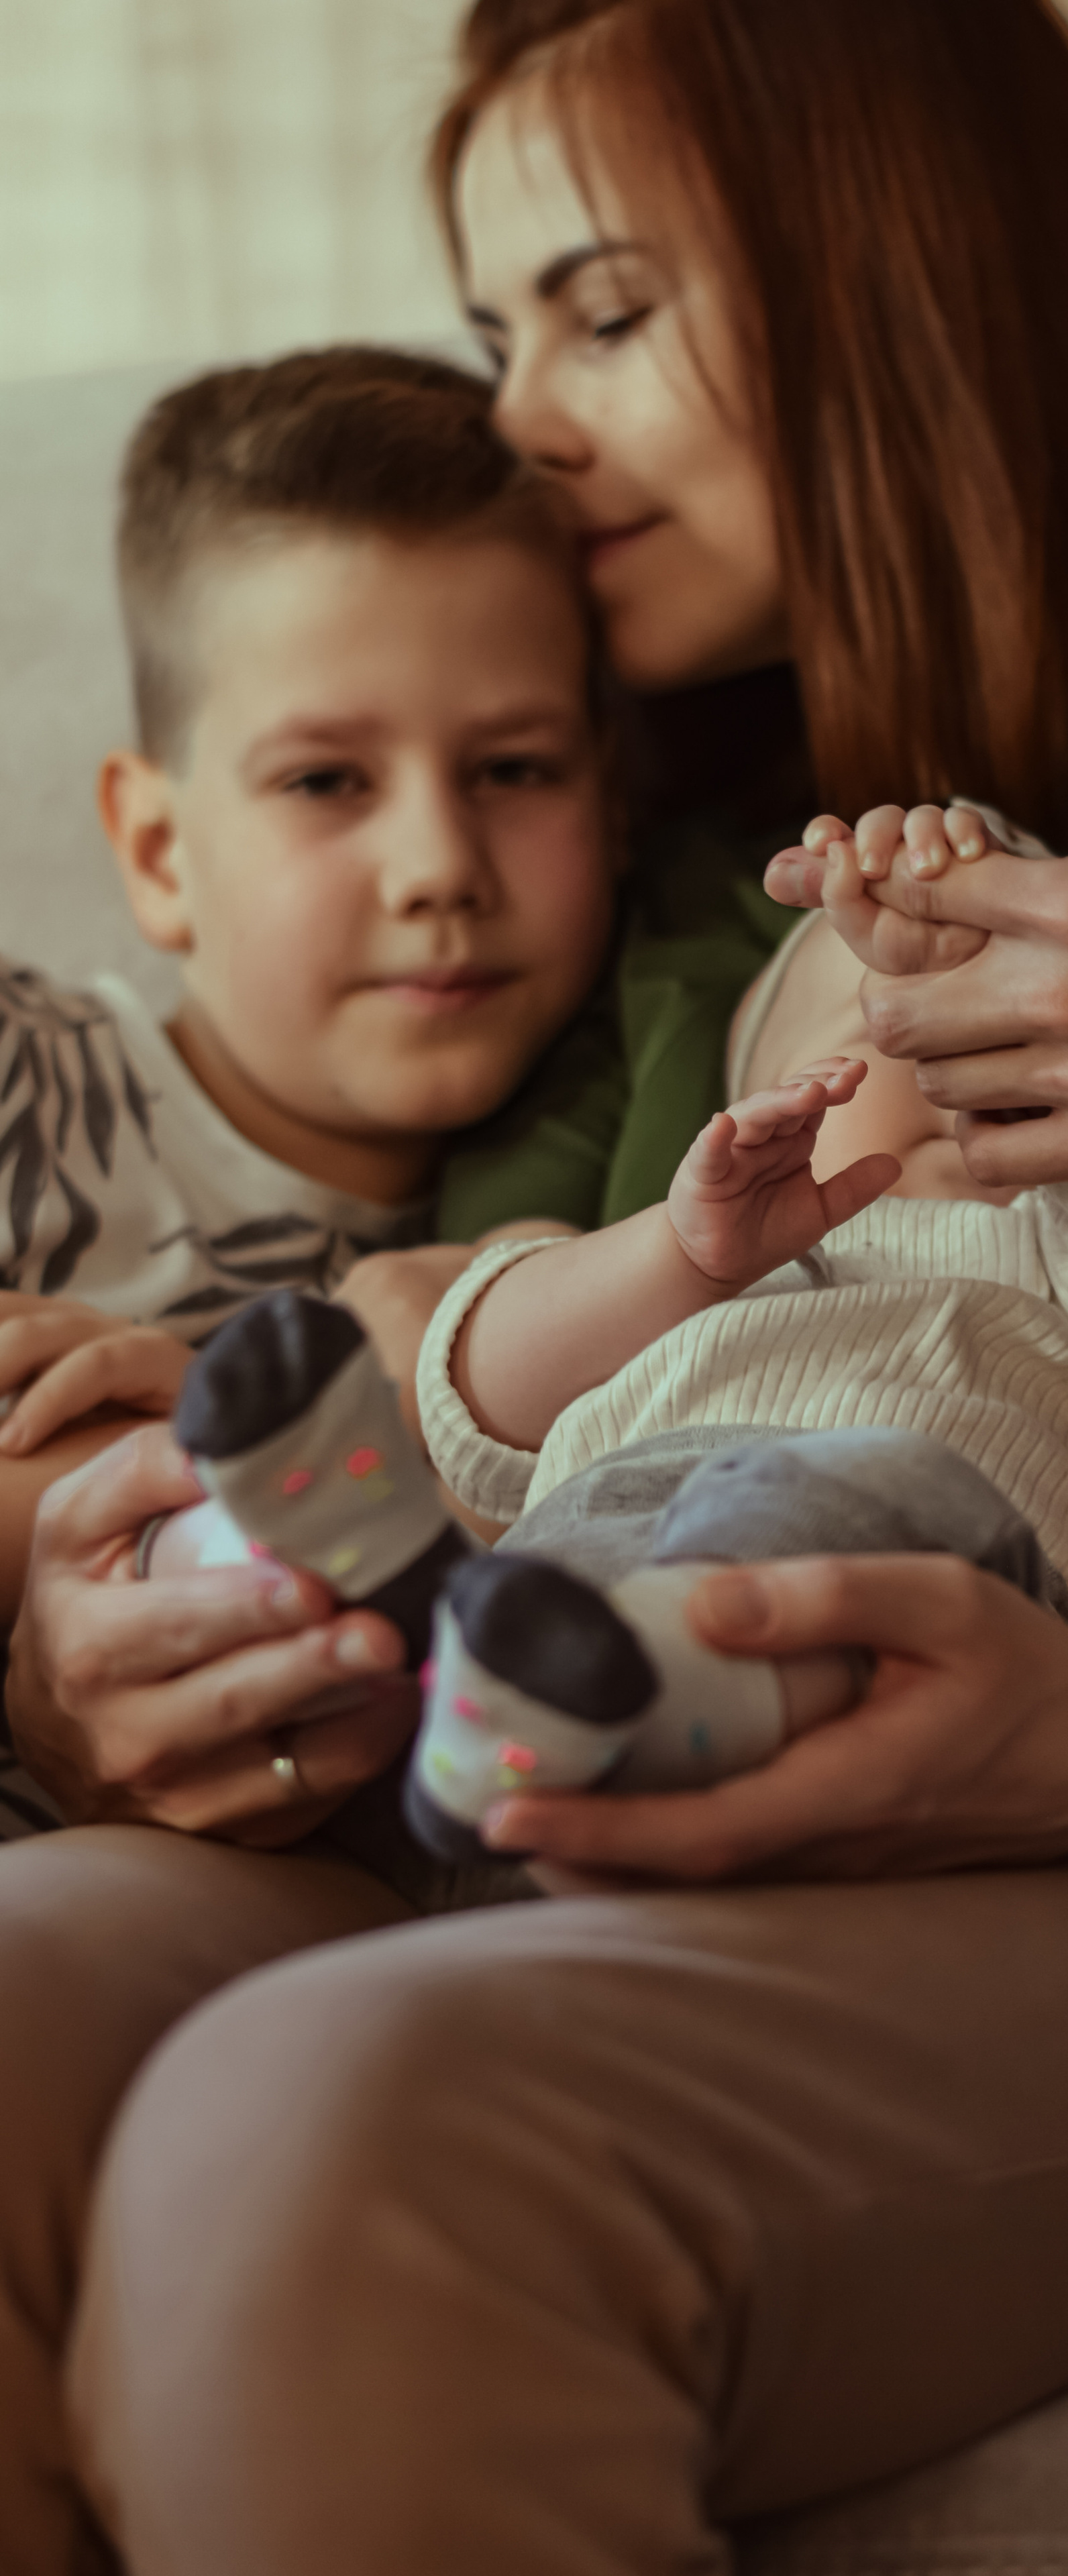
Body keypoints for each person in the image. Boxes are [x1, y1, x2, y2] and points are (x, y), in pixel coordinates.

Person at [0, 4, 1068, 2568]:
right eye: (498, 336)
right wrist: (106, 1658)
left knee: (339, 2139)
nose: (523, 425)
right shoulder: (607, 869)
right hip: (524, 1769)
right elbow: (433, 1337)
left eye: (600, 315)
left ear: (904, 284)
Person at [0, 343, 611, 1837]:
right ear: (157, 853)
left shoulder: (581, 1244)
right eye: (327, 781)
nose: (438, 870)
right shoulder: (29, 1077)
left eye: (516, 768)